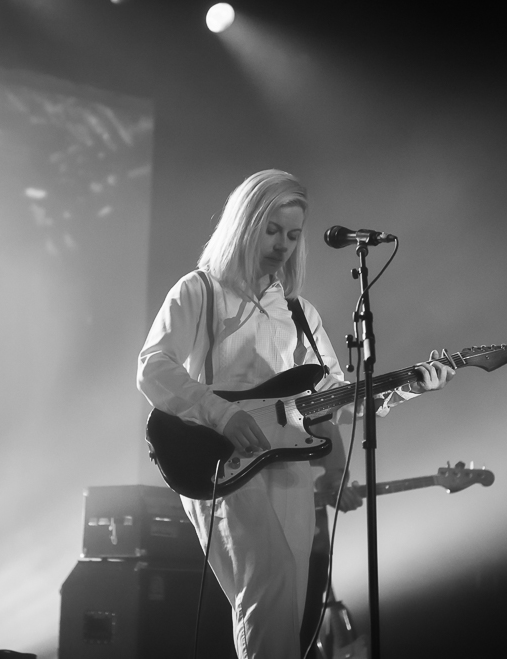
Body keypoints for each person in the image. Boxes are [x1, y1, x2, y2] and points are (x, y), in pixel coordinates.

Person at [136, 169, 454, 659]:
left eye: (292, 234)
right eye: (271, 230)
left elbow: (336, 396)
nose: (283, 244)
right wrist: (221, 414)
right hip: (218, 458)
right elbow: (153, 369)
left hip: (288, 462)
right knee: (270, 585)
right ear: (244, 224)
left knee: (288, 601)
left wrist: (407, 389)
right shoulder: (198, 291)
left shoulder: (299, 312)